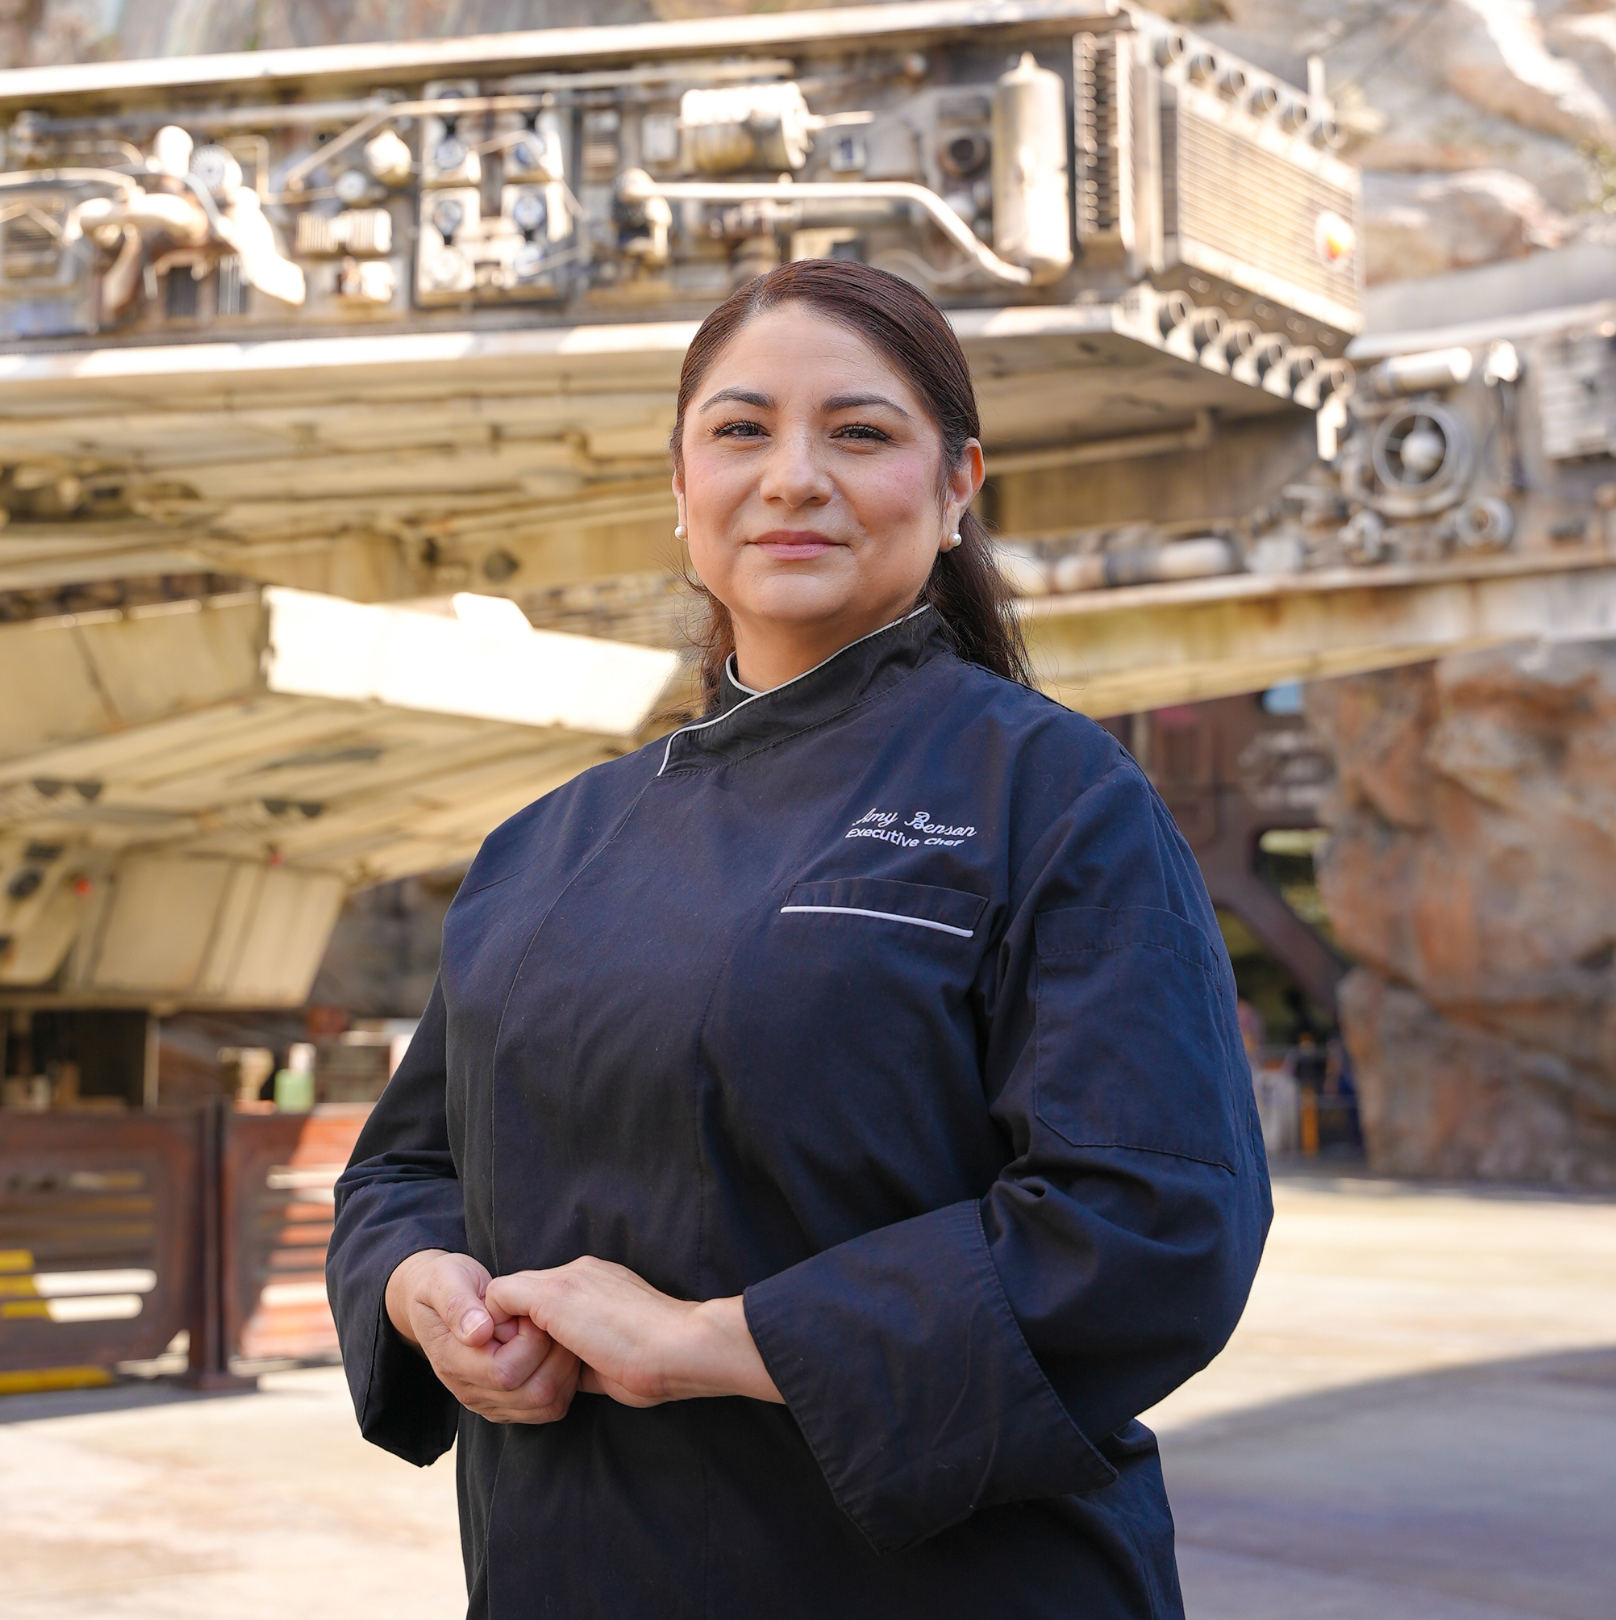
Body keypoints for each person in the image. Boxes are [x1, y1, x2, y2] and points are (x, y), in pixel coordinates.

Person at [327, 259, 1271, 1619]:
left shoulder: (1052, 799)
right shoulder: (545, 843)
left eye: (862, 431)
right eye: (742, 429)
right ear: (681, 489)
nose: (793, 477)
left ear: (958, 489)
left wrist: (708, 1345)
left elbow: (1155, 1225)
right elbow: (403, 1171)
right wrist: (428, 1297)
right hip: (566, 1567)